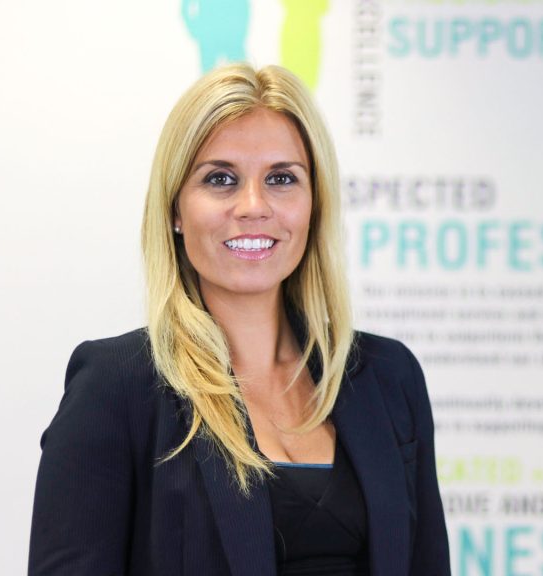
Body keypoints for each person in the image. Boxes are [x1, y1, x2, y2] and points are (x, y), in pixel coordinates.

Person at [28, 63, 450, 575]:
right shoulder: (116, 385)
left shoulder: (387, 376)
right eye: (221, 179)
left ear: (314, 204)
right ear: (175, 210)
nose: (253, 206)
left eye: (281, 178)